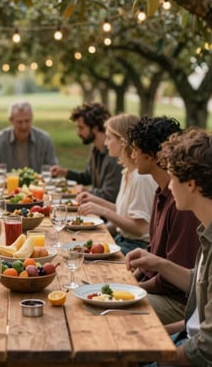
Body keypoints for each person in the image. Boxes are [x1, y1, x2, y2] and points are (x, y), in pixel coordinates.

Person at [126, 128, 212, 366]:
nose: (169, 186)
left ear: (192, 184)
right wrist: (156, 262)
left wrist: (150, 353)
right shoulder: (207, 232)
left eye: (173, 177)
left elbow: (205, 348)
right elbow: (199, 285)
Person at [126, 116, 200, 325]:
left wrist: (133, 289)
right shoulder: (161, 193)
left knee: (116, 310)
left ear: (152, 155)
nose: (131, 155)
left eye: (135, 149)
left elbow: (173, 281)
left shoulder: (182, 205)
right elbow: (154, 255)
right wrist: (131, 281)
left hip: (177, 302)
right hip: (161, 289)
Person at [77, 114, 157, 254]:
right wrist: (94, 200)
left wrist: (102, 211)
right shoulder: (127, 172)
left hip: (136, 247)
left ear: (123, 141)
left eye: (109, 138)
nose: (106, 143)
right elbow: (124, 212)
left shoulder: (141, 178)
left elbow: (139, 228)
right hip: (123, 240)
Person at [51, 102, 122, 203]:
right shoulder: (96, 148)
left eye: (81, 127)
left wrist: (87, 192)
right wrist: (64, 172)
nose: (78, 132)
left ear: (95, 128)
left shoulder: (114, 155)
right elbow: (88, 177)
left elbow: (110, 196)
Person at [0, 101, 58, 177]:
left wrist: (54, 171)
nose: (24, 126)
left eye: (27, 121)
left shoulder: (44, 139)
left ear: (32, 119)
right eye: (19, 122)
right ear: (11, 121)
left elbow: (53, 168)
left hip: (37, 187)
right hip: (7, 186)